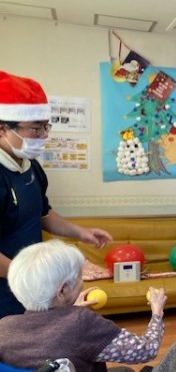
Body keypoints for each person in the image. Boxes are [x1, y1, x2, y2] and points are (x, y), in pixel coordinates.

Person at [0, 239, 167, 372]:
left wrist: (68, 310)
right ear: (62, 291)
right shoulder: (81, 323)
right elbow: (145, 350)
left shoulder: (4, 326)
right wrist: (157, 313)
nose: (82, 282)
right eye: (79, 277)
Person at [0, 71, 113, 318]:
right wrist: (28, 275)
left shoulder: (31, 166)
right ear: (2, 129)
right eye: (35, 128)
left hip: (34, 289)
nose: (44, 135)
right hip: (9, 290)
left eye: (45, 127)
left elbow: (43, 214)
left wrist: (81, 233)